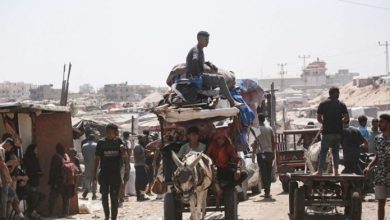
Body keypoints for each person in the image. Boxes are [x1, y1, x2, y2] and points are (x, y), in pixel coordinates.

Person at [186, 31, 242, 108]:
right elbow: (195, 59)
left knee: (215, 84)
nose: (207, 42)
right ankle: (232, 102)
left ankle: (212, 97)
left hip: (198, 76)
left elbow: (197, 60)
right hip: (198, 77)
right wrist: (197, 75)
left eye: (208, 39)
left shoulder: (199, 49)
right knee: (221, 79)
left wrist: (207, 63)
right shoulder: (196, 49)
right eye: (205, 39)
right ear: (199, 39)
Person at [206, 129, 247, 205]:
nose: (221, 140)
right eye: (219, 138)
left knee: (244, 174)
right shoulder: (212, 145)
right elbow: (207, 158)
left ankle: (224, 189)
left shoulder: (229, 146)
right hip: (214, 171)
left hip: (226, 169)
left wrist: (238, 169)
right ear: (216, 139)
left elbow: (237, 159)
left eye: (223, 138)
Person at [315, 87, 349, 176]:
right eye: (338, 93)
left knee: (323, 152)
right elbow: (346, 118)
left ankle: (320, 172)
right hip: (337, 133)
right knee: (335, 152)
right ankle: (336, 172)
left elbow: (318, 118)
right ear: (335, 93)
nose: (339, 94)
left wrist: (325, 123)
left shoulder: (323, 104)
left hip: (327, 133)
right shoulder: (341, 104)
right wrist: (339, 122)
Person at [93, 124, 124, 220]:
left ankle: (114, 218)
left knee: (114, 197)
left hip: (115, 174)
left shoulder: (119, 142)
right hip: (104, 174)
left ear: (115, 133)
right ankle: (107, 216)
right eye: (107, 132)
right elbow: (97, 159)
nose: (109, 134)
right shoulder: (101, 143)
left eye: (111, 132)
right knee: (104, 196)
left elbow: (125, 156)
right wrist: (94, 173)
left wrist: (124, 150)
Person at [363, 114, 390, 220]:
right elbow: (377, 157)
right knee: (380, 203)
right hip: (381, 175)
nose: (379, 124)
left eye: (382, 122)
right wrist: (368, 167)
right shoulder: (378, 139)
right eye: (379, 122)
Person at [251, 114, 276, 198]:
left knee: (263, 173)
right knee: (268, 173)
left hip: (260, 154)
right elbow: (273, 142)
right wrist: (273, 153)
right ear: (264, 119)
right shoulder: (270, 129)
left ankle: (267, 192)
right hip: (269, 153)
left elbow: (255, 143)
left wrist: (253, 154)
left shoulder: (257, 130)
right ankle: (267, 191)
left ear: (258, 120)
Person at [48, 143, 75, 217]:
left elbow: (53, 170)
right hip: (67, 181)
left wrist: (52, 181)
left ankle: (51, 214)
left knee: (52, 198)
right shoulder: (66, 156)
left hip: (58, 182)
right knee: (66, 198)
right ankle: (65, 213)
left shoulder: (56, 157)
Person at [23, 143, 44, 219]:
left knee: (38, 197)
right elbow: (28, 170)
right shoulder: (27, 158)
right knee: (33, 198)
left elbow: (38, 169)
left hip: (35, 181)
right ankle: (30, 213)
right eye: (36, 149)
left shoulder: (35, 158)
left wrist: (39, 173)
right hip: (29, 182)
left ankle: (31, 213)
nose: (37, 150)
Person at [0, 138, 17, 220]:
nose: (9, 150)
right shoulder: (1, 150)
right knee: (4, 198)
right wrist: (9, 178)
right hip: (3, 179)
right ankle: (3, 217)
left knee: (12, 194)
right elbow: (2, 166)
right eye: (10, 147)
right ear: (7, 144)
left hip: (3, 178)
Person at [133, 136, 149, 202]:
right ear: (140, 139)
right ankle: (140, 196)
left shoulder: (140, 146)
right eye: (143, 139)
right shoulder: (137, 146)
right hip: (139, 165)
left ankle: (141, 195)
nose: (144, 140)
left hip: (141, 165)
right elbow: (137, 156)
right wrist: (145, 154)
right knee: (141, 181)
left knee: (143, 180)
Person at [81, 134, 98, 200]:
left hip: (87, 164)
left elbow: (83, 155)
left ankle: (87, 188)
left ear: (88, 138)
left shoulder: (84, 146)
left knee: (87, 178)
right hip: (95, 164)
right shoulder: (96, 145)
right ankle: (94, 194)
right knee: (94, 178)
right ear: (94, 139)